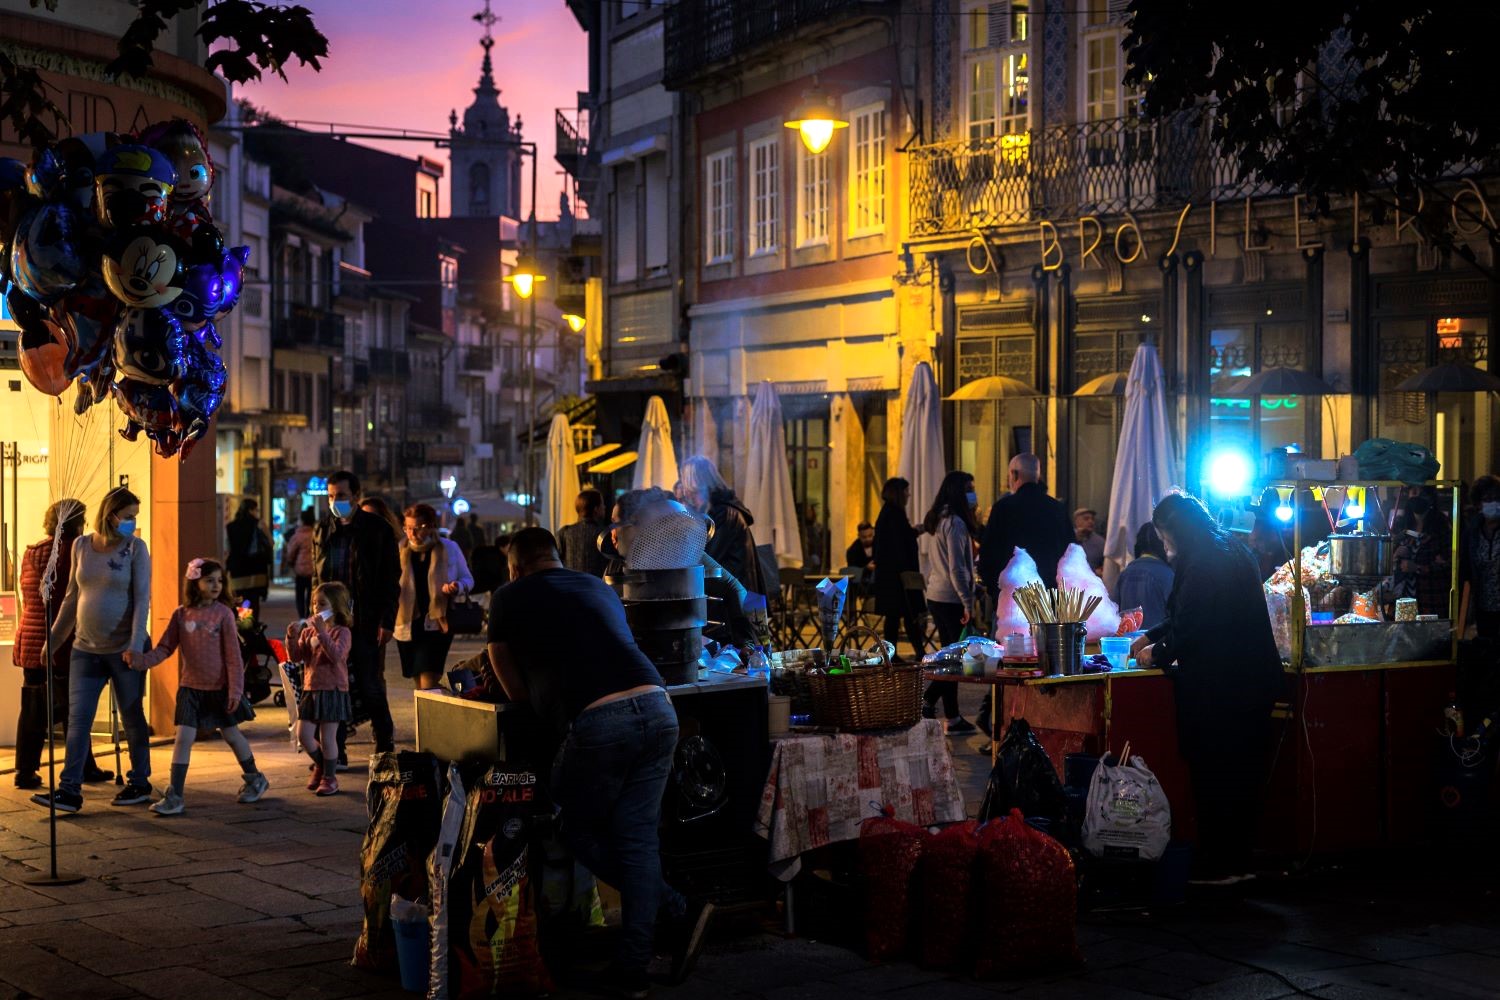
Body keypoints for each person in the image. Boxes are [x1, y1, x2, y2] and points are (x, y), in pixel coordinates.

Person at [486, 528, 713, 995]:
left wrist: (540, 696)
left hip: (597, 720)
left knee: (574, 826)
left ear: (515, 565)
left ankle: (672, 907)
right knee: (636, 840)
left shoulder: (508, 597)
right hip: (658, 706)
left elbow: (513, 687)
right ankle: (635, 966)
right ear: (554, 556)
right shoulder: (593, 584)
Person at [1130, 492, 1283, 883]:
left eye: (1164, 536)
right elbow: (1184, 615)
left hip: (1223, 688)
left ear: (1174, 531)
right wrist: (1150, 634)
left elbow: (1193, 626)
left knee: (1217, 775)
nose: (1164, 546)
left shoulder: (1202, 562)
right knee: (1239, 775)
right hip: (1250, 683)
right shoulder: (1229, 547)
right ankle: (1236, 860)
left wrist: (1157, 653)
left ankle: (1221, 864)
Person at [31, 487, 153, 813]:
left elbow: (143, 600)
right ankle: (69, 790)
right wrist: (53, 640)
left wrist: (135, 644)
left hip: (124, 649)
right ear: (111, 514)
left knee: (131, 716)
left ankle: (139, 781)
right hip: (85, 649)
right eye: (128, 517)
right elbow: (72, 597)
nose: (132, 523)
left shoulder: (135, 549)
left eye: (134, 518)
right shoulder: (81, 546)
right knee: (78, 720)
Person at [136, 558, 269, 815]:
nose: (216, 585)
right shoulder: (180, 614)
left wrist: (235, 691)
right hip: (190, 688)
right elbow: (165, 647)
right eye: (210, 580)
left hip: (220, 688)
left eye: (220, 580)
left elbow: (233, 656)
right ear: (195, 582)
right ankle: (176, 795)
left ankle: (255, 777)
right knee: (183, 738)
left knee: (232, 735)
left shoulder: (223, 614)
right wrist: (142, 662)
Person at [13, 499, 109, 789]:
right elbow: (71, 599)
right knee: (76, 709)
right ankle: (81, 768)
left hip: (31, 640)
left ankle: (25, 771)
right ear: (80, 521)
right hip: (64, 643)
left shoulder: (33, 553)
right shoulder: (78, 550)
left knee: (32, 709)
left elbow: (30, 596)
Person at [313, 471, 400, 756]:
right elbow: (318, 578)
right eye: (330, 496)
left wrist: (387, 620)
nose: (335, 501)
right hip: (333, 621)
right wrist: (316, 617)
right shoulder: (323, 529)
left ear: (356, 497)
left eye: (341, 496)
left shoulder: (378, 530)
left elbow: (389, 580)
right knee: (333, 685)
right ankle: (336, 749)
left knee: (369, 683)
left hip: (365, 620)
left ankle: (384, 742)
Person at [921, 471, 980, 733]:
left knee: (950, 657)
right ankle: (940, 708)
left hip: (937, 594)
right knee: (955, 660)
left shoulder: (938, 519)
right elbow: (957, 568)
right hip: (951, 597)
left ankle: (946, 712)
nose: (973, 494)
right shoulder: (955, 523)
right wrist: (967, 602)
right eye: (969, 488)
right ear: (958, 492)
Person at [395, 503, 474, 691]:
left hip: (438, 622)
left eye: (417, 528)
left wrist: (457, 586)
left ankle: (431, 716)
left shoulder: (448, 547)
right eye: (408, 528)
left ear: (430, 526)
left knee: (429, 680)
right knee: (418, 681)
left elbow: (468, 578)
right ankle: (431, 712)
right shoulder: (400, 549)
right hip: (407, 622)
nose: (412, 534)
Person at [285, 582, 354, 796]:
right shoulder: (309, 632)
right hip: (310, 688)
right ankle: (322, 766)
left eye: (322, 603)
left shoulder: (342, 632)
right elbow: (296, 658)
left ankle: (329, 778)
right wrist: (292, 638)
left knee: (327, 737)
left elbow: (336, 656)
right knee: (304, 735)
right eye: (314, 603)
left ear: (336, 606)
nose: (316, 608)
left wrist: (323, 634)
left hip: (332, 689)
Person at [978, 453, 1074, 597]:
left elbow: (989, 555)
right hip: (1049, 595)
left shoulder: (1003, 508)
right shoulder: (1057, 508)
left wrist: (995, 590)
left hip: (1012, 595)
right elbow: (1070, 552)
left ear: (1014, 474)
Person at [678, 455, 760, 593]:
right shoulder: (717, 510)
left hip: (735, 598)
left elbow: (708, 557)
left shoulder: (724, 513)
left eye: (684, 479)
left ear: (693, 482)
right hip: (731, 594)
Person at [872, 479, 926, 661]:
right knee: (906, 615)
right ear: (898, 493)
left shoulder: (888, 513)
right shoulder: (894, 514)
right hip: (897, 578)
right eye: (905, 492)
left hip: (890, 577)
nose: (908, 495)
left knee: (895, 616)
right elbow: (900, 544)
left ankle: (893, 654)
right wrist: (915, 532)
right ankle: (909, 653)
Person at [1393, 491, 1451, 618]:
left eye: (1421, 492)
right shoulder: (1401, 525)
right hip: (1404, 600)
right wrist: (1396, 554)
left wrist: (1418, 568)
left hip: (1430, 598)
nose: (1416, 495)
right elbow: (1390, 563)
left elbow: (1448, 564)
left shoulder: (1441, 527)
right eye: (1413, 491)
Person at [1460, 475, 1500, 639]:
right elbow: (1466, 568)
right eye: (1488, 499)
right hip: (1483, 606)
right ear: (1478, 504)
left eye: (1497, 499)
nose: (1494, 504)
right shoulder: (1473, 533)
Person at [1115, 522, 1174, 630]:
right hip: (1156, 643)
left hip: (1128, 642)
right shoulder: (1168, 575)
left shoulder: (1124, 574)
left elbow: (1115, 611)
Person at [225, 497, 272, 622]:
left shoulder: (230, 526)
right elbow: (270, 543)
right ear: (251, 510)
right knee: (253, 601)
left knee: (241, 600)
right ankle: (250, 628)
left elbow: (228, 549)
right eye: (256, 510)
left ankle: (244, 627)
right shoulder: (258, 524)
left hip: (237, 571)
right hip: (255, 570)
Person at [558, 488, 610, 577]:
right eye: (602, 504)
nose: (604, 507)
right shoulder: (604, 534)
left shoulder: (564, 532)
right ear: (596, 509)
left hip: (570, 587)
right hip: (597, 588)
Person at [283, 508, 317, 619]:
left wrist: (290, 563)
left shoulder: (298, 536)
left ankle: (302, 617)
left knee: (300, 595)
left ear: (301, 521)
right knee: (311, 595)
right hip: (314, 570)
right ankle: (309, 616)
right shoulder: (316, 534)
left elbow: (291, 553)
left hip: (301, 571)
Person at [1073, 508, 1106, 576]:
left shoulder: (1100, 542)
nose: (1091, 521)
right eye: (1086, 519)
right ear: (1076, 521)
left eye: (1092, 519)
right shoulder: (1067, 538)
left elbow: (1105, 566)